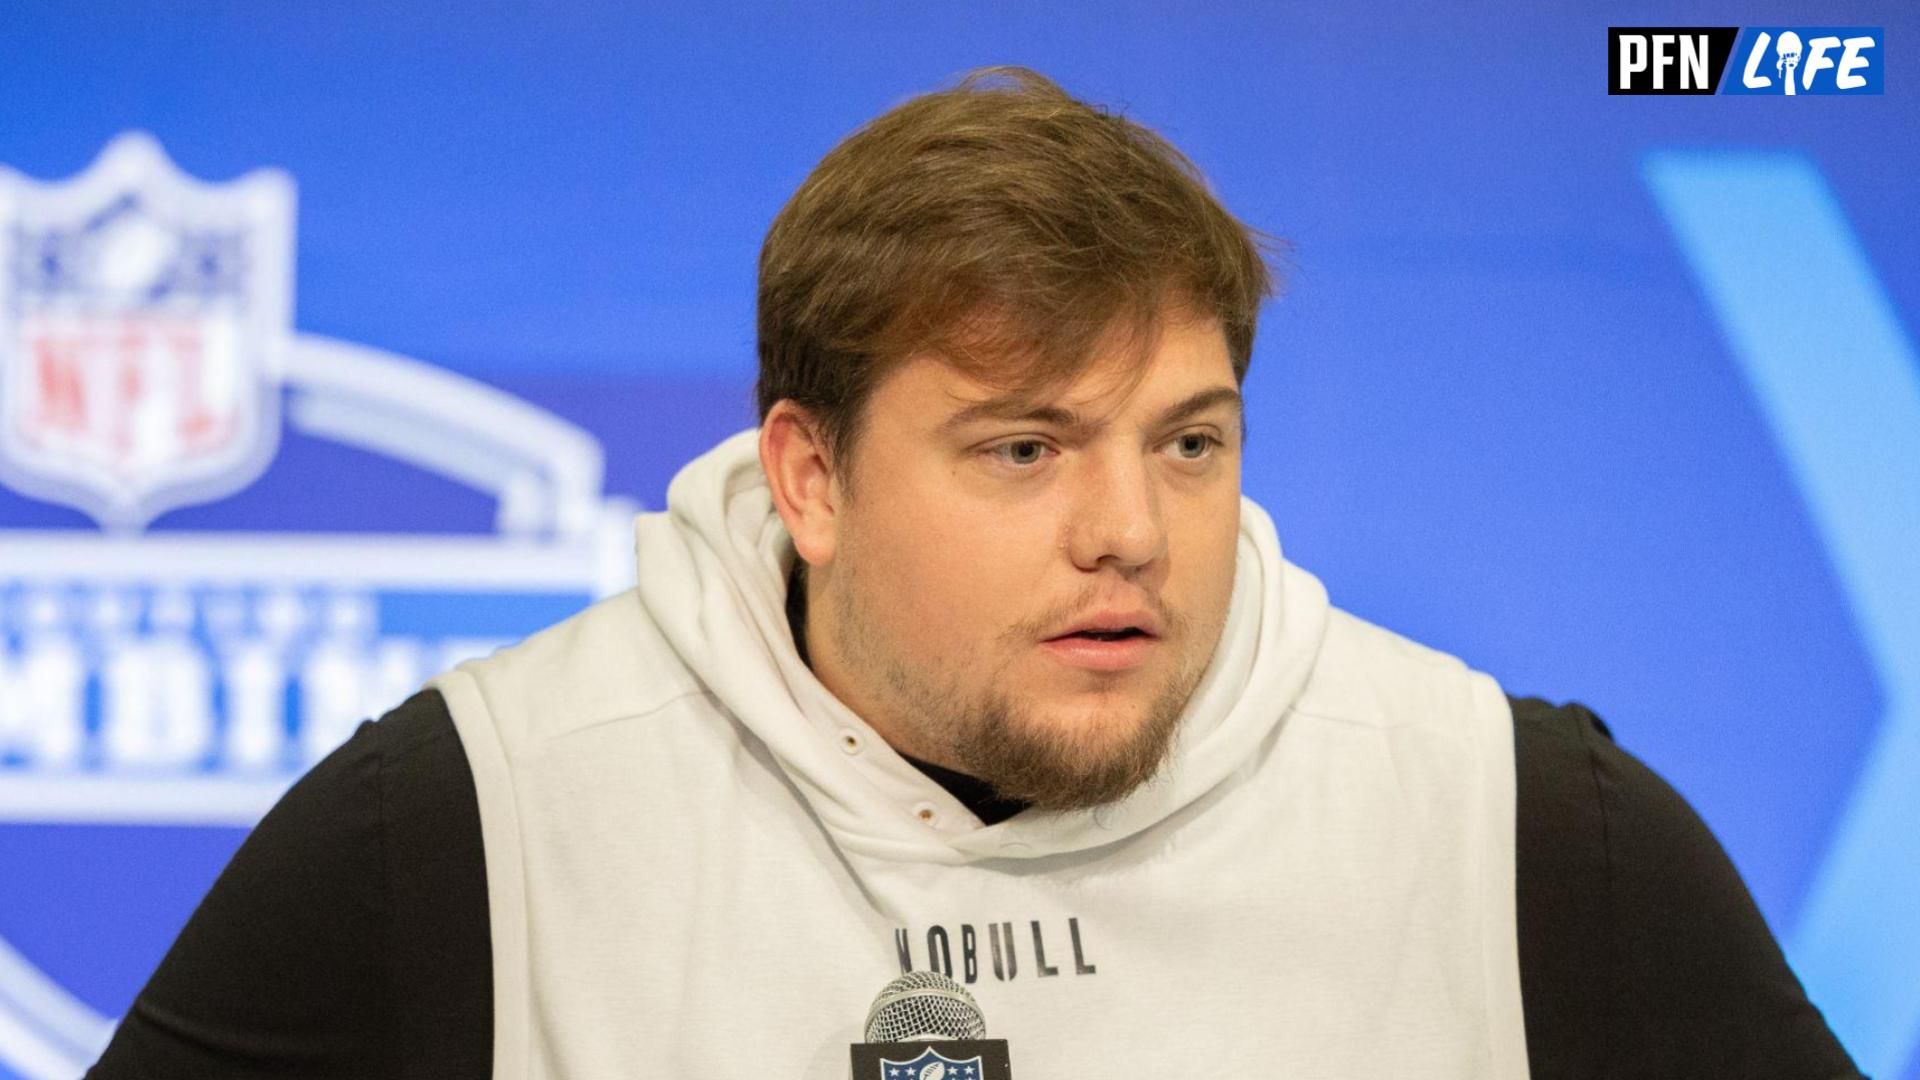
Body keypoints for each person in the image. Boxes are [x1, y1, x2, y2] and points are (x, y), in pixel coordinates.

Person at [88, 67, 1860, 1079]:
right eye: (1025, 449)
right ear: (811, 476)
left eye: (1187, 440)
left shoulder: (1526, 827)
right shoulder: (472, 822)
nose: (1134, 533)